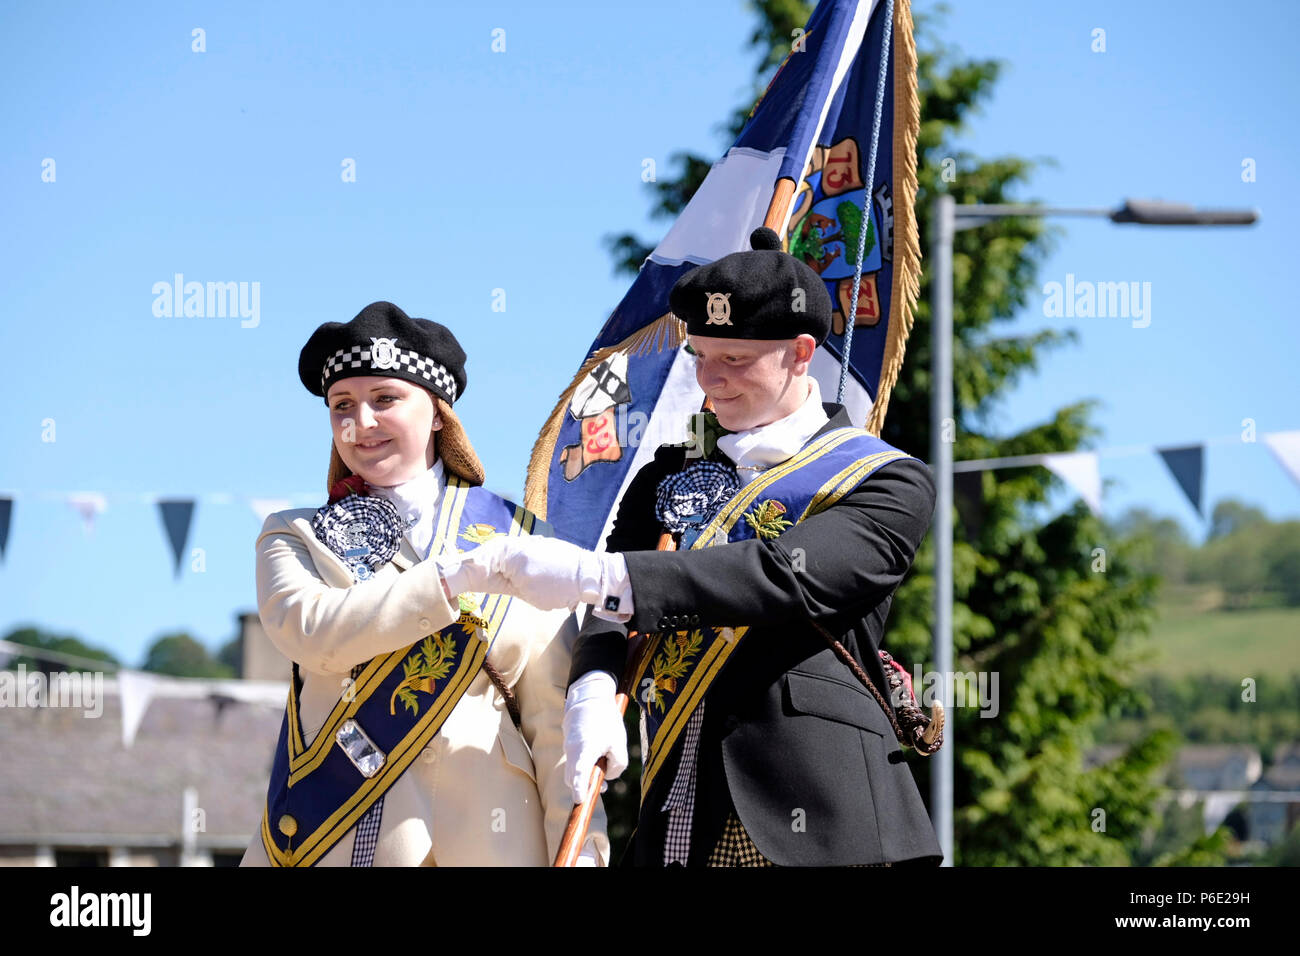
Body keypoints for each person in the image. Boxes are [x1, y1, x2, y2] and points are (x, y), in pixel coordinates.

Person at [444, 228, 943, 866]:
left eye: (735, 359)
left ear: (801, 353)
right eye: (701, 356)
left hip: (822, 815)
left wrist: (593, 575)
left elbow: (782, 577)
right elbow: (610, 610)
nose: (712, 381)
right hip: (677, 802)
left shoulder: (884, 477)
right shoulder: (666, 473)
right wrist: (592, 690)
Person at [240, 301, 608, 867]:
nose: (360, 423)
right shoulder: (295, 534)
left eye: (385, 399)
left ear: (438, 414)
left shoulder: (523, 536)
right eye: (342, 405)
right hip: (334, 834)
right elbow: (310, 631)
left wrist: (581, 851)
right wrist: (453, 577)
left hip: (496, 844)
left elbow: (555, 722)